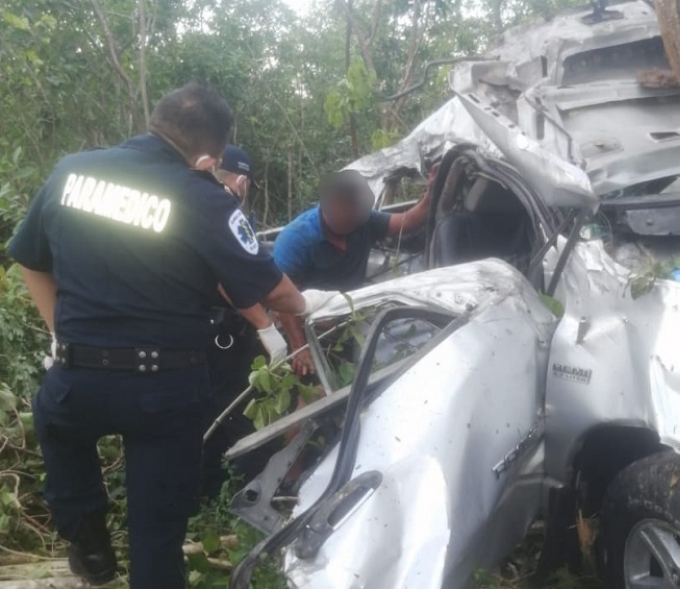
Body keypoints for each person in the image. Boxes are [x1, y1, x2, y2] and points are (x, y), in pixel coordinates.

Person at [8, 83, 335, 588]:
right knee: (158, 535)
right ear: (211, 155)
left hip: (77, 377)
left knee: (59, 431)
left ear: (154, 122)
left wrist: (61, 337)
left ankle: (90, 545)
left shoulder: (71, 171)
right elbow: (280, 294)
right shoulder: (203, 196)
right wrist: (309, 304)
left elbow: (29, 261)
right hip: (164, 391)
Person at [272, 166, 437, 375]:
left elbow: (406, 222)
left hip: (345, 320)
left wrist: (430, 194)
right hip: (304, 326)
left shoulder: (363, 220)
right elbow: (281, 302)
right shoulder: (297, 239)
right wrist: (300, 347)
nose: (354, 218)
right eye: (347, 213)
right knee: (311, 385)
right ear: (327, 208)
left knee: (348, 374)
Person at [201, 144, 285, 497]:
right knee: (244, 413)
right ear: (241, 180)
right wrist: (267, 325)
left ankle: (208, 496)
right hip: (222, 337)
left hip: (194, 337)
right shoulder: (220, 212)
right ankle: (253, 494)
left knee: (208, 416)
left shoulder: (192, 205)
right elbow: (229, 279)